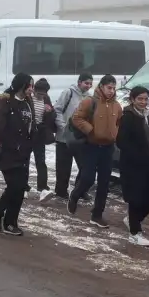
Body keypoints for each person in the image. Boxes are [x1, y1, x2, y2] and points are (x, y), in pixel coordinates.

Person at [68, 74, 123, 229]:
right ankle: (75, 195)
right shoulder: (90, 102)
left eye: (114, 88)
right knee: (88, 178)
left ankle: (97, 215)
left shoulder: (117, 106)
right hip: (91, 146)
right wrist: (91, 130)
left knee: (104, 183)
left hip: (108, 148)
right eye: (109, 88)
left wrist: (116, 134)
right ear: (101, 87)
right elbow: (76, 118)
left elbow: (119, 122)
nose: (111, 91)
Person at [0, 72, 35, 236]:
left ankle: (11, 222)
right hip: (8, 153)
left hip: (24, 153)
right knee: (15, 186)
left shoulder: (28, 102)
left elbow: (31, 126)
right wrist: (14, 144)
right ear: (21, 85)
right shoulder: (6, 102)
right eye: (29, 85)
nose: (32, 89)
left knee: (20, 189)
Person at [117, 85, 149, 246]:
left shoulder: (146, 116)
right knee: (135, 199)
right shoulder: (128, 117)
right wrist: (137, 157)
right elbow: (121, 141)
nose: (143, 102)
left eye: (145, 99)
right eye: (140, 99)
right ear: (132, 99)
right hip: (133, 166)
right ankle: (135, 233)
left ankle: (132, 220)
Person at [52, 71, 93, 200]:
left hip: (80, 137)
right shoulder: (68, 93)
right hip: (64, 137)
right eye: (86, 83)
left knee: (84, 166)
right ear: (79, 82)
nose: (88, 86)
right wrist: (63, 126)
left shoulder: (89, 98)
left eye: (90, 84)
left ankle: (80, 190)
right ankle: (61, 191)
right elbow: (57, 109)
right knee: (63, 167)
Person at [30, 78, 57, 198]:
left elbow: (51, 118)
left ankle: (42, 186)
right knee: (24, 160)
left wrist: (50, 111)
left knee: (41, 161)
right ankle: (23, 185)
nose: (41, 96)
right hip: (28, 132)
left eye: (43, 94)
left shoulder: (46, 99)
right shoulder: (29, 98)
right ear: (34, 90)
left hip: (40, 133)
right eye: (39, 93)